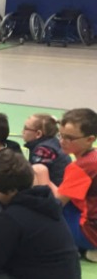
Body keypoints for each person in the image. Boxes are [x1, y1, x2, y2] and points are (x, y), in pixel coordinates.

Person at [35, 108, 97, 262]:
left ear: (89, 139)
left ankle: (79, 245)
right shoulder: (93, 157)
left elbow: (56, 203)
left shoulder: (82, 167)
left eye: (69, 138)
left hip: (90, 232)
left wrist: (43, 175)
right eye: (60, 135)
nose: (62, 141)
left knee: (39, 218)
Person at [22, 113, 70, 186]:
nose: (23, 131)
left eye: (25, 128)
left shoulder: (44, 150)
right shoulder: (53, 143)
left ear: (38, 134)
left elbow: (38, 180)